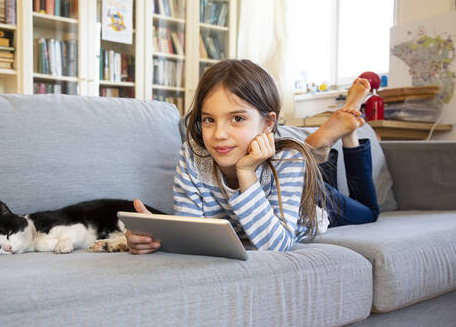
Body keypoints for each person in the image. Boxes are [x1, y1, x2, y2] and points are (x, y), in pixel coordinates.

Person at [125, 59, 379, 255]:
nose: (219, 135)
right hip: (289, 166)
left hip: (309, 200)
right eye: (209, 120)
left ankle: (347, 133)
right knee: (303, 157)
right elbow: (194, 236)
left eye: (237, 118)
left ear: (268, 123)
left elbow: (277, 245)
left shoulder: (288, 160)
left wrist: (246, 174)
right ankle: (316, 147)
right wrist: (157, 239)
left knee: (369, 211)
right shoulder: (194, 157)